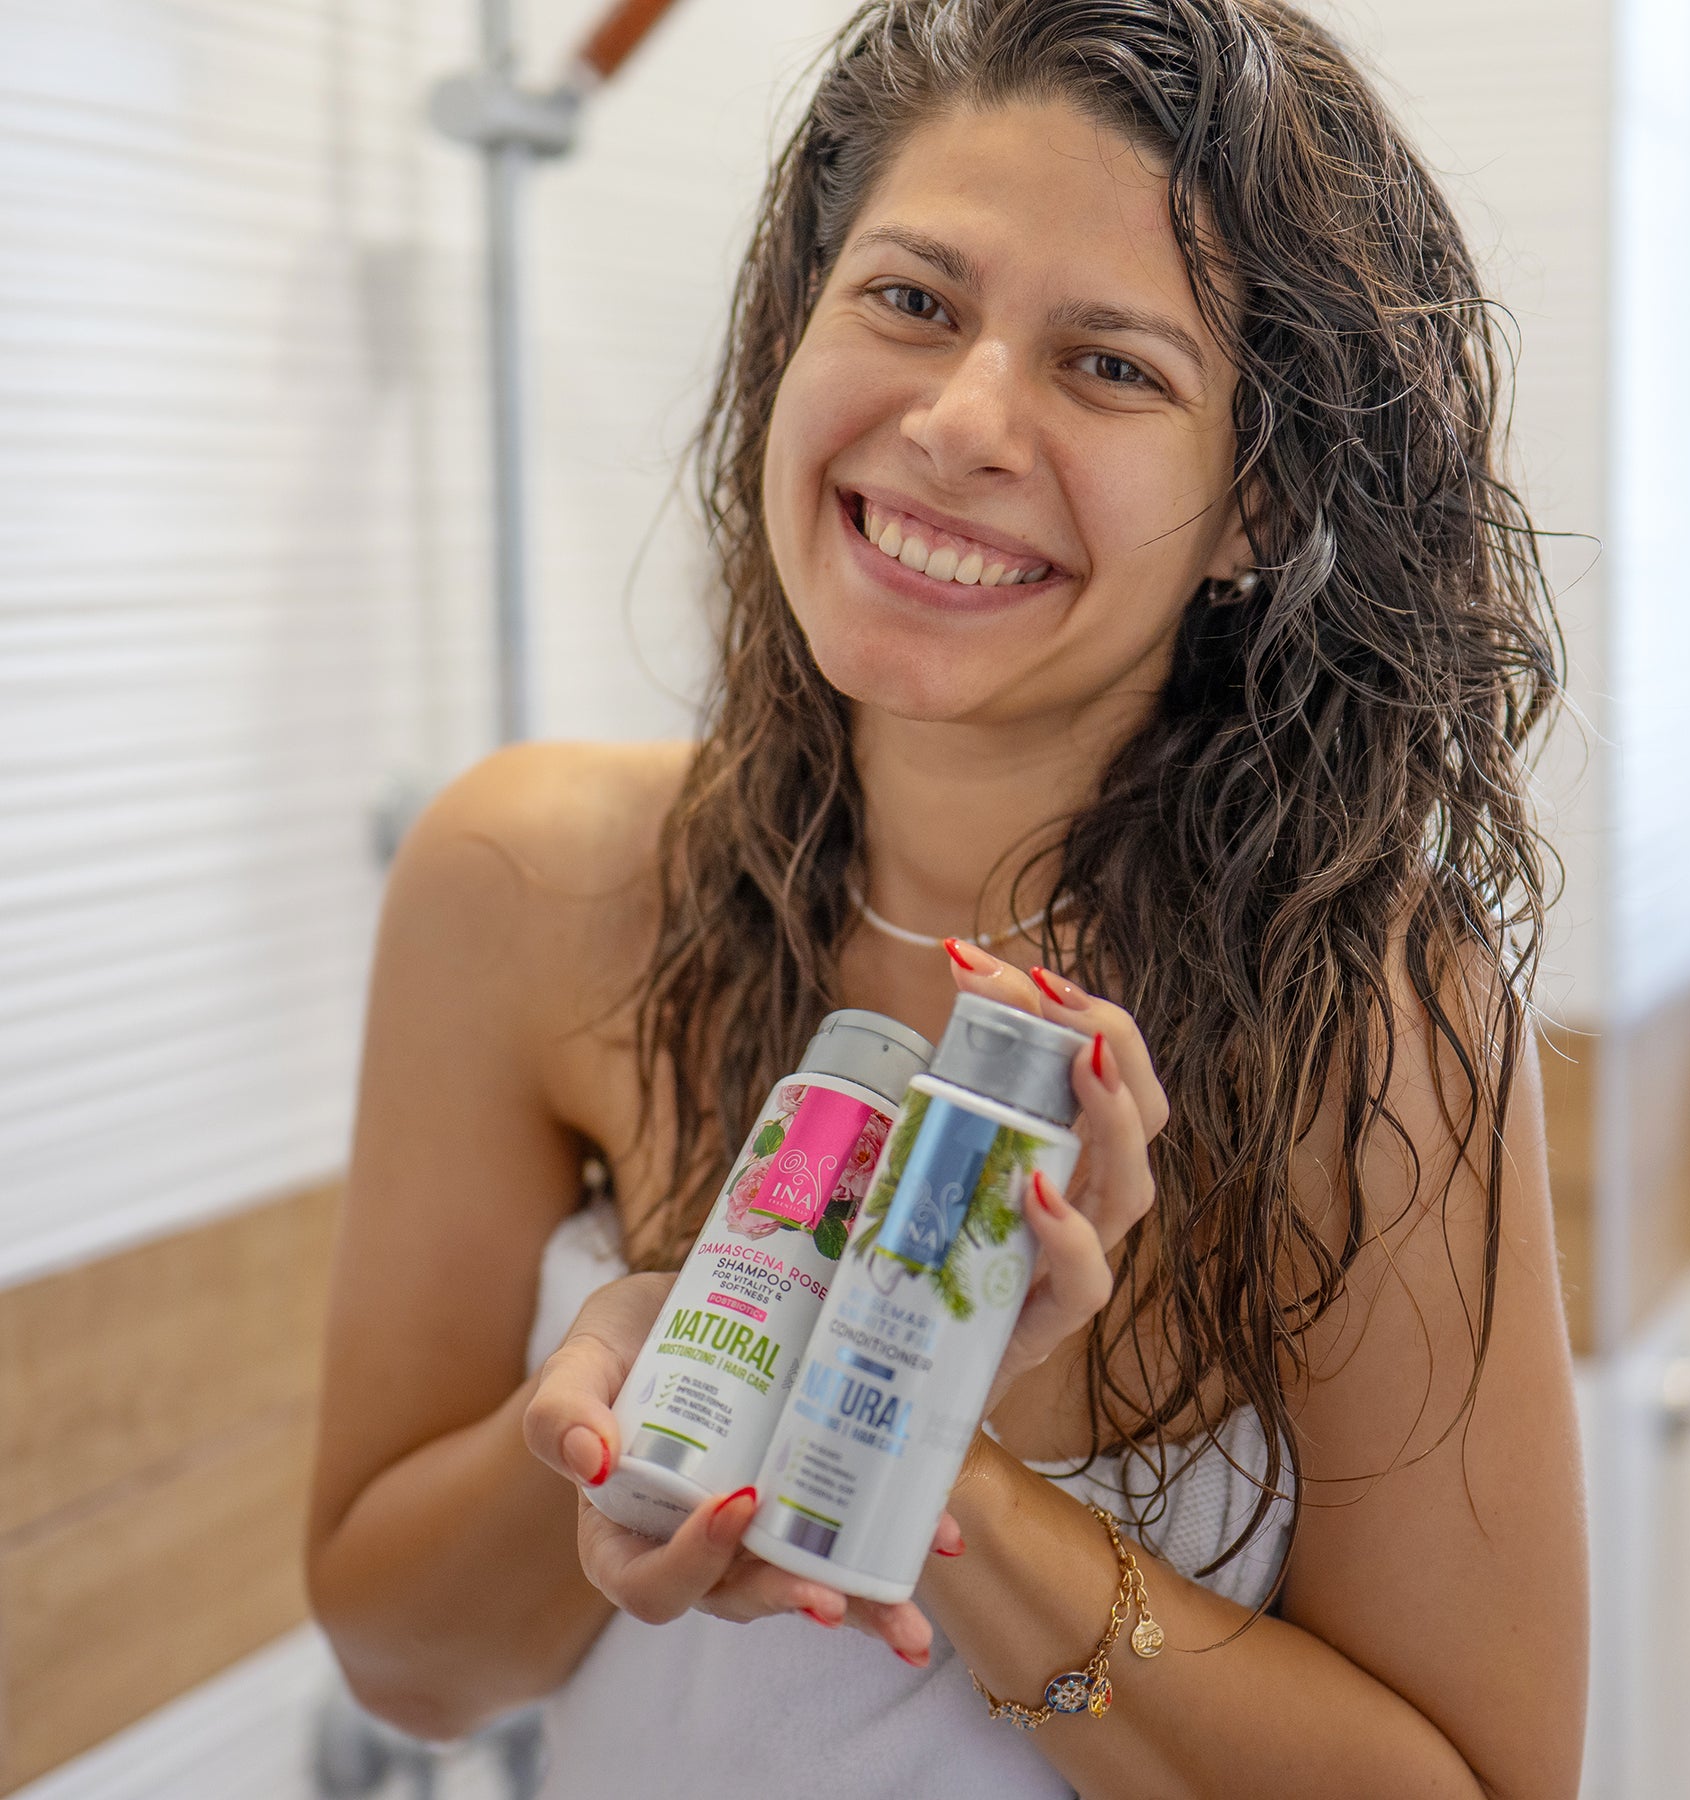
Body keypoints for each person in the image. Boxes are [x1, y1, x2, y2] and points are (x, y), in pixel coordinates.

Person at [305, 2, 1588, 1794]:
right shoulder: (525, 884)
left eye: (1112, 366)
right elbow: (409, 1663)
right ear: (794, 331)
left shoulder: (1371, 1007)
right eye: (912, 301)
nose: (961, 421)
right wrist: (692, 1355)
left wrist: (931, 1461)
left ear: (1258, 507)